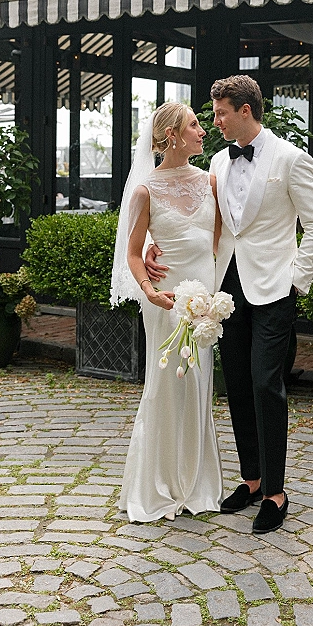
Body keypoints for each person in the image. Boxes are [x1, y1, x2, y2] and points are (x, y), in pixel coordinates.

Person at [147, 76, 313, 533]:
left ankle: (275, 492)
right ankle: (250, 480)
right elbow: (185, 212)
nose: (214, 122)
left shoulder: (291, 159)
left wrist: (295, 283)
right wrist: (151, 241)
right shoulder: (216, 163)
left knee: (267, 383)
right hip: (226, 290)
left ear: (245, 111)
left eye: (220, 113)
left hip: (274, 290)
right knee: (239, 385)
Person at [110, 103, 223, 523]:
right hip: (165, 300)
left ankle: (196, 483)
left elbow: (220, 241)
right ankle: (154, 484)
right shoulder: (145, 190)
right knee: (165, 384)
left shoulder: (210, 181)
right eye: (194, 124)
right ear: (172, 134)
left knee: (198, 385)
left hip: (204, 302)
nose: (202, 131)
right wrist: (148, 289)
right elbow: (134, 254)